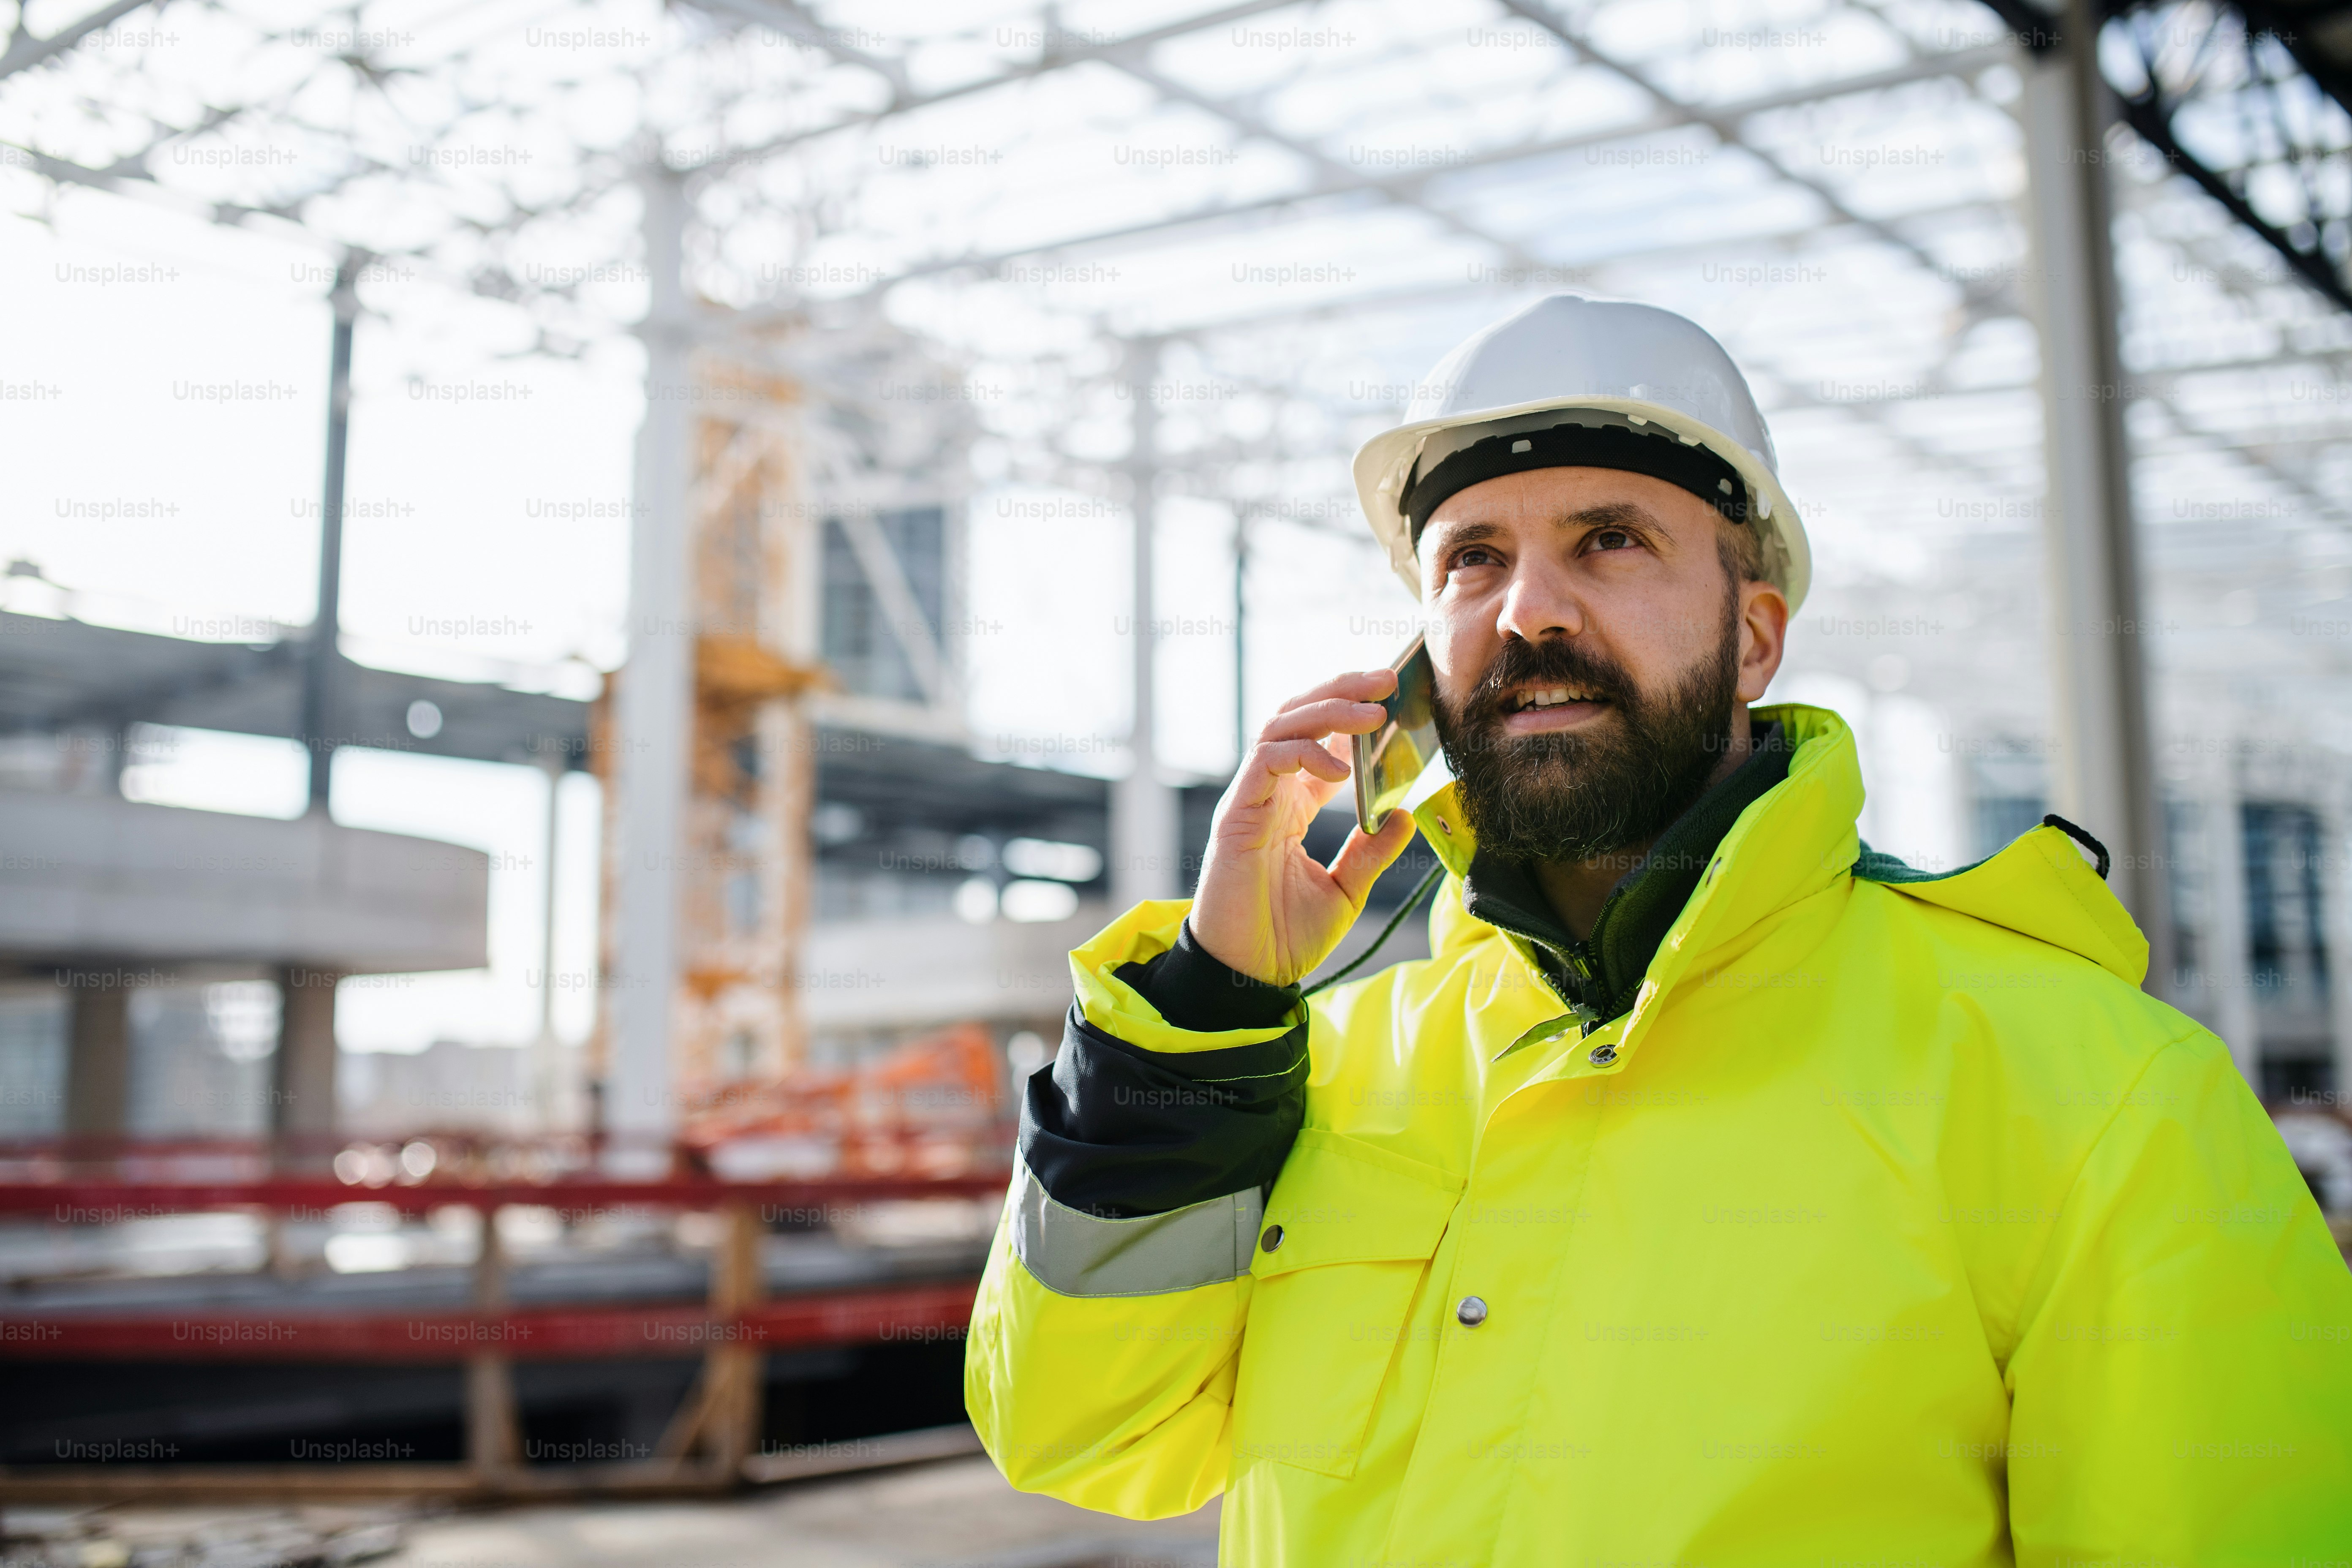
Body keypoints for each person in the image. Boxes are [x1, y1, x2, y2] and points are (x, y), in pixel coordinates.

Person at [964, 294, 2352, 1563]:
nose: (1531, 612)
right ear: (1418, 662)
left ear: (1754, 637)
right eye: (1472, 560)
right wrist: (1207, 1003)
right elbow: (1082, 1438)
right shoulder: (1315, 1065)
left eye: (1610, 543)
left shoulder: (2097, 1093)